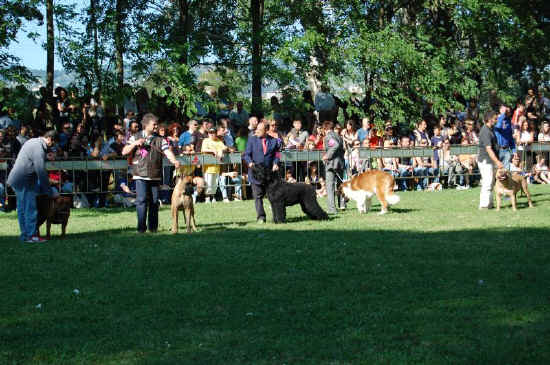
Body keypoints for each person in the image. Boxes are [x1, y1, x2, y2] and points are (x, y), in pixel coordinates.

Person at [122, 113, 180, 233]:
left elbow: (167, 152)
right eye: (154, 124)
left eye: (156, 124)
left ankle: (153, 228)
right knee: (141, 200)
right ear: (146, 125)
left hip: (155, 175)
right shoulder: (135, 136)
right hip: (140, 174)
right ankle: (141, 229)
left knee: (154, 202)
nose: (156, 127)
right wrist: (134, 144)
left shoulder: (160, 139)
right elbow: (124, 151)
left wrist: (174, 161)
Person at [7, 130, 58, 243]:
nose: (52, 146)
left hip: (17, 179)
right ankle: (32, 236)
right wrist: (49, 192)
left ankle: (25, 235)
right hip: (24, 180)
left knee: (22, 209)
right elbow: (41, 171)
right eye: (53, 143)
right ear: (49, 139)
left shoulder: (34, 142)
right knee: (30, 208)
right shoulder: (38, 147)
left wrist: (46, 156)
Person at [243, 121, 281, 223]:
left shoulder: (273, 141)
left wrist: (276, 163)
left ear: (266, 130)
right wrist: (250, 163)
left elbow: (277, 154)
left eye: (259, 130)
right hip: (256, 173)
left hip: (269, 175)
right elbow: (246, 154)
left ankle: (276, 216)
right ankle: (261, 217)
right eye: (256, 129)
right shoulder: (252, 140)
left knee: (273, 197)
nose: (257, 131)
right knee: (258, 196)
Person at [478, 111, 504, 210]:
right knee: (487, 182)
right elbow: (488, 149)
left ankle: (489, 204)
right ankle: (484, 205)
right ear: (489, 119)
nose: (496, 120)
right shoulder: (485, 131)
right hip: (486, 160)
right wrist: (497, 162)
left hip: (490, 161)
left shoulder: (491, 129)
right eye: (495, 118)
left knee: (491, 182)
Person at [322, 120, 345, 214]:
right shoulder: (338, 136)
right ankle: (342, 204)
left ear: (325, 128)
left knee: (330, 186)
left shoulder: (328, 136)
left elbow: (335, 145)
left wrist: (327, 155)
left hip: (331, 164)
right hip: (340, 163)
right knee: (340, 185)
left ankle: (332, 209)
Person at [494, 105, 515, 169]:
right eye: (506, 111)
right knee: (496, 170)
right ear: (500, 111)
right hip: (498, 149)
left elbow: (510, 137)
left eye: (508, 111)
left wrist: (514, 150)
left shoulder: (509, 121)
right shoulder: (496, 119)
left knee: (506, 170)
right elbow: (498, 127)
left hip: (506, 149)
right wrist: (502, 115)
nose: (507, 113)